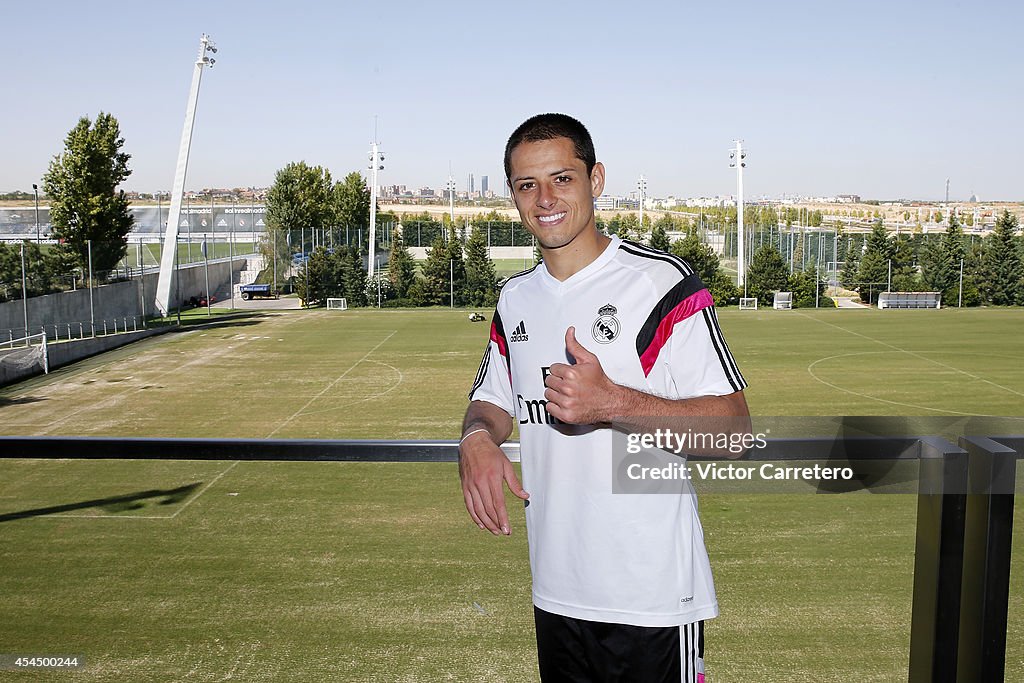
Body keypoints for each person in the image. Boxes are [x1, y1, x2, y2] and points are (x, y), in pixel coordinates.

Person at [459, 113, 749, 682]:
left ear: (596, 180)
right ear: (512, 196)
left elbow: (734, 431)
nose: (545, 198)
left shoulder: (660, 285)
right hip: (556, 591)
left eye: (562, 178)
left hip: (653, 599)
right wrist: (475, 439)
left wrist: (614, 402)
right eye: (527, 185)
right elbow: (491, 401)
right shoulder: (515, 298)